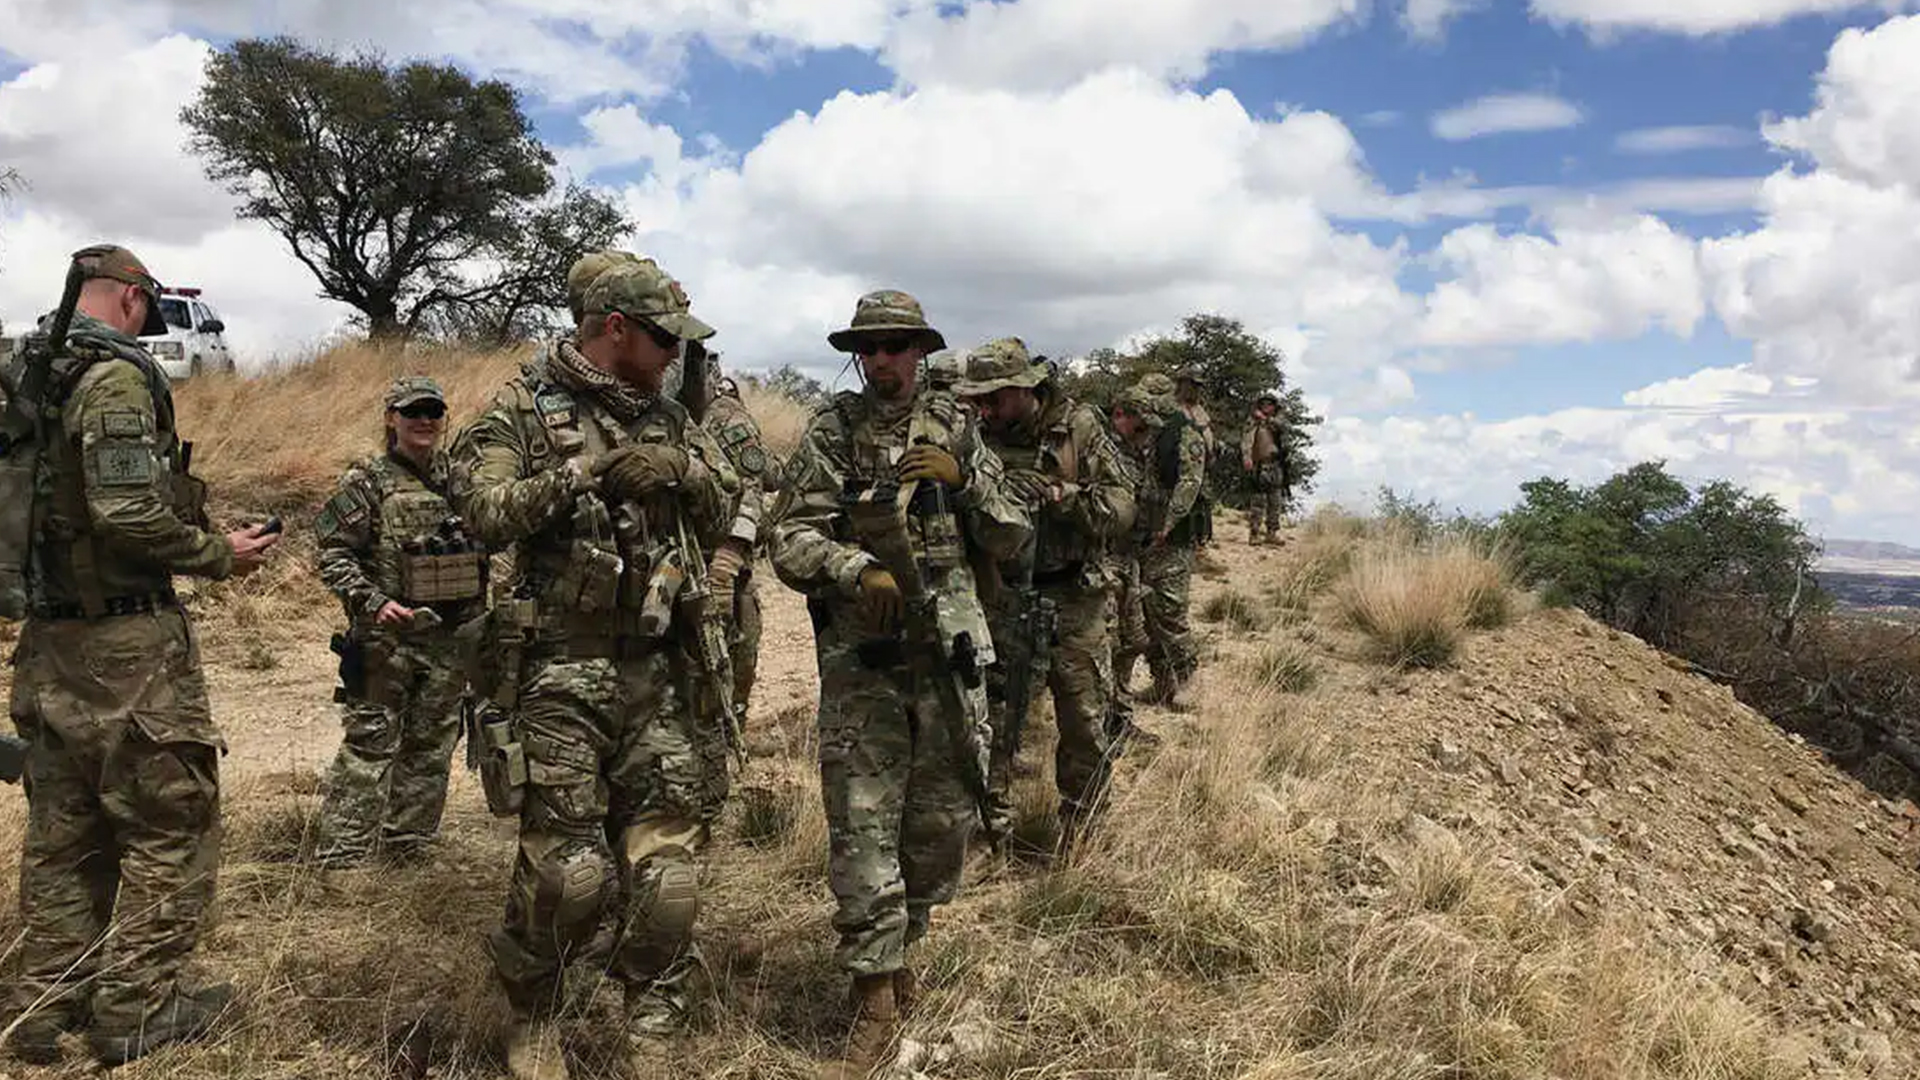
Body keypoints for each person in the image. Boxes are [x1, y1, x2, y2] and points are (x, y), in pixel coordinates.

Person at [451, 255, 739, 1080]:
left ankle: (651, 1015)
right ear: (616, 330)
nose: (673, 354)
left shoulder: (670, 415)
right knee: (569, 872)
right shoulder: (523, 407)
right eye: (661, 338)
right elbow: (480, 511)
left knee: (669, 871)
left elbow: (732, 498)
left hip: (660, 669)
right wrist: (577, 475)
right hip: (558, 673)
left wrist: (682, 469)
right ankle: (533, 1014)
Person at [3, 245, 279, 1066]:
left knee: (65, 831)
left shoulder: (31, 381)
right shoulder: (115, 379)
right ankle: (136, 1009)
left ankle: (39, 1012)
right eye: (147, 309)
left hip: (46, 638)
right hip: (124, 645)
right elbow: (126, 513)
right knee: (170, 824)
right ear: (130, 298)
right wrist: (219, 550)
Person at [768, 290, 1028, 1080]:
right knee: (863, 819)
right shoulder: (831, 432)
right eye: (870, 347)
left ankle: (904, 945)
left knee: (939, 820)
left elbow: (1014, 535)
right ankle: (873, 993)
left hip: (950, 650)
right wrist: (853, 566)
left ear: (921, 352)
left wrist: (969, 482)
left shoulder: (958, 430)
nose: (883, 359)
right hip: (866, 653)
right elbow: (789, 538)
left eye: (897, 346)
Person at [952, 337, 1134, 858]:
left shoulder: (1080, 427)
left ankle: (1083, 833)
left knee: (1083, 721)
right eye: (978, 399)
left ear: (1028, 389)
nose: (985, 408)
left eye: (996, 397)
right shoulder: (976, 435)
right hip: (1002, 597)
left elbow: (1123, 507)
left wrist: (1062, 496)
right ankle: (990, 835)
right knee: (994, 723)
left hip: (1075, 599)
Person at [310, 376, 484, 867]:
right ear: (392, 418)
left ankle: (409, 847)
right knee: (369, 746)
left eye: (433, 411)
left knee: (432, 747)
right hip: (385, 641)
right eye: (413, 412)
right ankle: (342, 858)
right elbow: (332, 553)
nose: (424, 420)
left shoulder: (461, 480)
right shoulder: (367, 481)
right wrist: (373, 601)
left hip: (447, 639)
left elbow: (490, 538)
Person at [1110, 374, 1205, 706]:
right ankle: (1163, 682)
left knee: (1169, 610)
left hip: (1172, 535)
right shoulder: (1144, 431)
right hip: (1141, 533)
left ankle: (1188, 678)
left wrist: (1168, 524)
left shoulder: (1184, 433)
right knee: (1144, 611)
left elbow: (1189, 483)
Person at [694, 350, 770, 729]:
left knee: (736, 642)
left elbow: (752, 489)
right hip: (682, 558)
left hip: (724, 560)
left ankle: (731, 724)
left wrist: (728, 559)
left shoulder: (725, 417)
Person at [1172, 371, 1216, 548]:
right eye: (1193, 385)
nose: (1196, 390)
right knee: (1183, 502)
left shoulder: (1200, 410)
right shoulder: (1172, 407)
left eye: (1198, 386)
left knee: (1202, 503)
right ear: (1182, 385)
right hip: (1181, 465)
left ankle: (1200, 540)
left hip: (1202, 465)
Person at [1240, 392, 1289, 544]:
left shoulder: (1277, 421)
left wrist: (1266, 419)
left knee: (1275, 501)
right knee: (1258, 502)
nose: (1267, 406)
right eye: (1264, 404)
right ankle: (1254, 533)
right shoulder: (1253, 421)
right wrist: (1247, 457)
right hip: (1260, 466)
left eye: (1270, 404)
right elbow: (1246, 440)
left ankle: (1271, 533)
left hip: (1276, 465)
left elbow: (1283, 429)